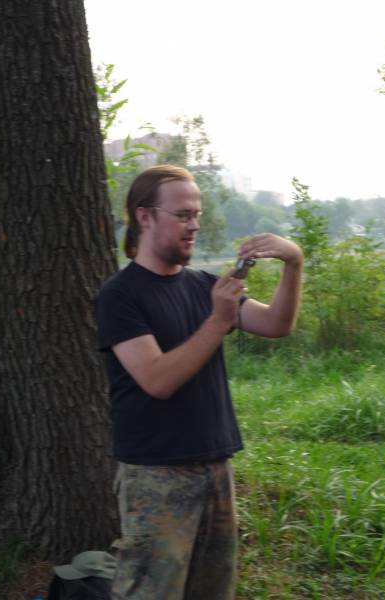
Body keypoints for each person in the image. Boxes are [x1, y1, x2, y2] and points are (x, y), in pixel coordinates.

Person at [96, 165, 303, 600]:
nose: (193, 225)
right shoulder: (120, 295)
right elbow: (157, 379)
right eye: (183, 215)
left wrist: (293, 263)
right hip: (156, 477)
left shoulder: (204, 285)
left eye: (197, 214)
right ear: (144, 216)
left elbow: (276, 324)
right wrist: (218, 320)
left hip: (215, 468)